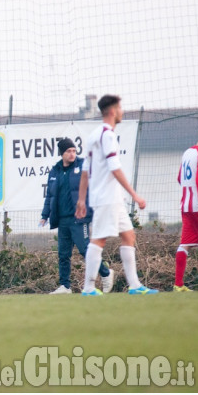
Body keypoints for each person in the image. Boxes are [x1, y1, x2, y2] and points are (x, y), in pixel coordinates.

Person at [75, 95, 158, 296]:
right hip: (107, 197)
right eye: (120, 108)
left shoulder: (94, 134)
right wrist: (135, 195)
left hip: (110, 197)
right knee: (99, 239)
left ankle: (135, 285)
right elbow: (115, 168)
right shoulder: (108, 135)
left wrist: (81, 199)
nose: (122, 111)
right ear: (112, 111)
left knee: (128, 235)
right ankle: (88, 288)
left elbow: (86, 170)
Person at [40, 138, 114, 294]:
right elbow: (50, 196)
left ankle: (106, 274)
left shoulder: (83, 166)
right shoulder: (55, 171)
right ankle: (65, 286)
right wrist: (44, 215)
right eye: (68, 151)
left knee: (85, 249)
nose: (72, 154)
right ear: (62, 153)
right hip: (62, 219)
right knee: (63, 254)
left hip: (80, 218)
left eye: (74, 151)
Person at [173, 123, 198, 292]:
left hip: (186, 206)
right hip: (197, 206)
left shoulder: (187, 152)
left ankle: (178, 284)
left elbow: (180, 178)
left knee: (185, 244)